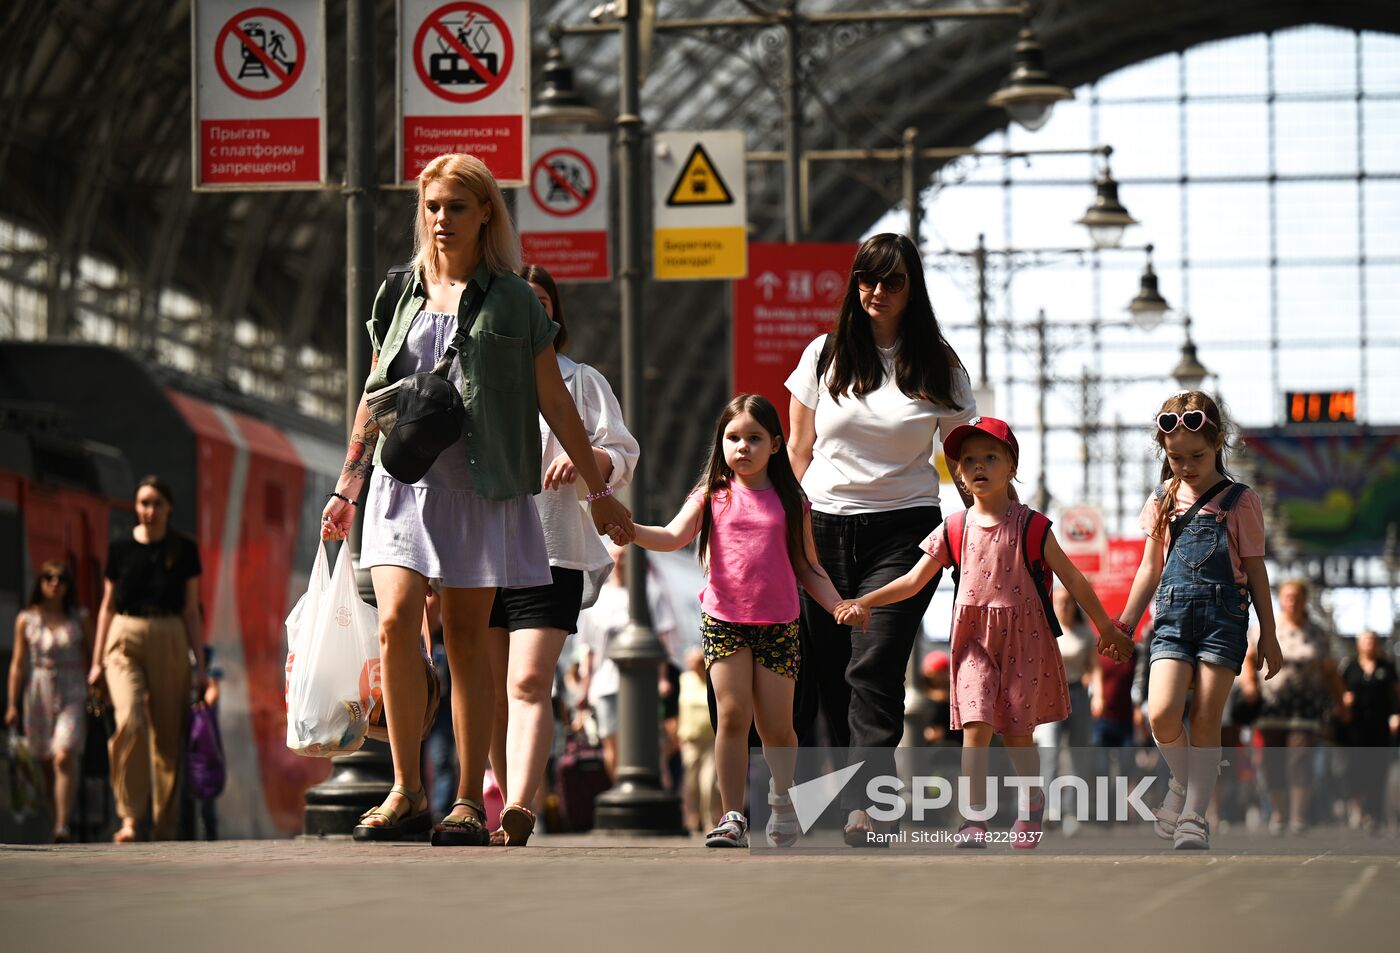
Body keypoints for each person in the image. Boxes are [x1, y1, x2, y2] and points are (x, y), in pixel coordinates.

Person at [319, 153, 634, 845]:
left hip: (480, 487)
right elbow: (374, 397)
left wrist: (600, 490)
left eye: (456, 207)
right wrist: (348, 482)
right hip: (404, 486)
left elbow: (554, 398)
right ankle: (405, 790)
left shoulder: (515, 300)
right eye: (432, 207)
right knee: (398, 621)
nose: (441, 220)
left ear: (485, 214)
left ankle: (465, 797)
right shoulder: (397, 294)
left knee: (466, 643)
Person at [836, 416, 1129, 848]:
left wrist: (1106, 627)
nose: (978, 466)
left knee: (1016, 732)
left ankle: (1032, 806)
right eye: (968, 459)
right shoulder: (954, 528)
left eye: (991, 457)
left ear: (1011, 466)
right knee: (974, 725)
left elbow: (1074, 579)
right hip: (974, 640)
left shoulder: (1032, 527)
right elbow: (914, 580)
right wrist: (867, 600)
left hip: (1023, 640)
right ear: (957, 472)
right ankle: (974, 820)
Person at [785, 232, 977, 843]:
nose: (876, 292)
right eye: (866, 279)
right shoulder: (825, 354)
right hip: (822, 527)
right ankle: (832, 796)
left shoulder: (940, 365)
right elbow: (797, 447)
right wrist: (785, 523)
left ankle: (866, 803)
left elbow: (966, 455)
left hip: (905, 529)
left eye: (892, 281)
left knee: (876, 663)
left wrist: (984, 523)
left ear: (912, 289)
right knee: (827, 670)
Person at [613, 394, 845, 848]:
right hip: (724, 620)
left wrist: (839, 605)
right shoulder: (710, 496)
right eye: (733, 437)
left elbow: (808, 566)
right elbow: (673, 536)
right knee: (733, 717)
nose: (743, 447)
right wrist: (632, 530)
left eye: (755, 438)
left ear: (776, 445)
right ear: (720, 443)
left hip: (778, 623)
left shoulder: (790, 500)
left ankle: (781, 800)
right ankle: (732, 815)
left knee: (776, 727)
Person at [483, 263, 639, 846]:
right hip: (480, 550)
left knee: (527, 680)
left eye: (541, 301)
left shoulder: (580, 381)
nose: (532, 310)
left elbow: (622, 453)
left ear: (555, 314)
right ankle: (498, 796)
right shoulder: (477, 377)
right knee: (491, 685)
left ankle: (521, 806)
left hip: (554, 551)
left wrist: (588, 460)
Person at [1116, 392, 1282, 850]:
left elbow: (1255, 569)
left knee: (1207, 718)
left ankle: (1194, 817)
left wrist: (1268, 633)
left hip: (1223, 618)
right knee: (1163, 714)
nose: (1186, 466)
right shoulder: (1161, 499)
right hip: (1169, 618)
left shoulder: (1240, 500)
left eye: (1197, 456)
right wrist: (1125, 624)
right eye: (1175, 458)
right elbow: (1149, 568)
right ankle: (1181, 779)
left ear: (1219, 443)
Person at [89, 476, 206, 842]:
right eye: (142, 503)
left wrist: (200, 667)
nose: (148, 510)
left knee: (167, 737)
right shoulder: (120, 549)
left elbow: (191, 612)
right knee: (131, 721)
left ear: (168, 508)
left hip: (169, 635)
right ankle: (129, 818)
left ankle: (164, 825)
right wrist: (96, 662)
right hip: (123, 637)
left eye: (155, 502)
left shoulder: (184, 551)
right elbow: (107, 607)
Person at [1239, 578, 1347, 834]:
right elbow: (1248, 659)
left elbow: (1330, 671)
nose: (1292, 601)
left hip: (1306, 707)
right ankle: (1278, 814)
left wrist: (1341, 700)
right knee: (1272, 762)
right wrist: (1248, 685)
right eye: (1287, 597)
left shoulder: (1316, 632)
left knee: (1300, 758)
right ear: (1281, 600)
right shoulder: (1265, 628)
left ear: (1304, 600)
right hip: (1271, 706)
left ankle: (1299, 816)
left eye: (1297, 597)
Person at [575, 543, 678, 783]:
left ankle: (659, 801)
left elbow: (662, 637)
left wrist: (662, 678)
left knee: (651, 746)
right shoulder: (596, 600)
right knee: (613, 747)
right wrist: (584, 689)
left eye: (624, 557)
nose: (620, 562)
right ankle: (622, 792)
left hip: (644, 681)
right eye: (615, 557)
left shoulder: (649, 592)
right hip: (606, 684)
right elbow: (587, 651)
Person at [7, 560, 92, 842]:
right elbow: (18, 664)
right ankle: (56, 815)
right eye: (49, 577)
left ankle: (61, 826)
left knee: (64, 753)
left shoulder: (80, 618)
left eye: (62, 578)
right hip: (38, 692)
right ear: (40, 583)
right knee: (44, 760)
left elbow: (92, 657)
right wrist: (11, 704)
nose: (55, 583)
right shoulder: (26, 620)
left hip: (73, 691)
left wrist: (98, 686)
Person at [1032, 587, 1098, 827]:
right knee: (1049, 753)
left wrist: (1098, 694)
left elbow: (1094, 668)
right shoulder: (1045, 628)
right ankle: (1050, 808)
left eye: (1068, 602)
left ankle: (1073, 811)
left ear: (1074, 605)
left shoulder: (1084, 633)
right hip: (1049, 694)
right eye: (1059, 602)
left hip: (1077, 693)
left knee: (1077, 755)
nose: (1063, 607)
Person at [1339, 631, 1398, 831]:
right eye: (1365, 640)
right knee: (1356, 768)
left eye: (1372, 640)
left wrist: (1395, 714)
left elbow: (1395, 694)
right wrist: (1344, 701)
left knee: (1378, 769)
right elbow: (1338, 690)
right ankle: (1357, 807)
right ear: (1359, 644)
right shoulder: (1350, 667)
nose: (1369, 644)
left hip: (1380, 726)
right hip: (1356, 727)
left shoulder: (1387, 667)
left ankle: (1374, 812)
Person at [677, 647, 719, 832]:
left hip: (711, 740)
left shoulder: (713, 678)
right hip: (690, 741)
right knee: (691, 783)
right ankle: (693, 818)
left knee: (708, 782)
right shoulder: (684, 680)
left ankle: (711, 821)